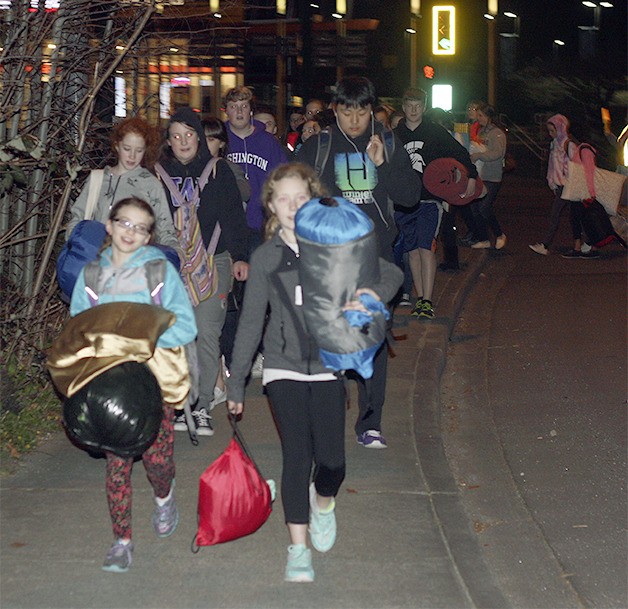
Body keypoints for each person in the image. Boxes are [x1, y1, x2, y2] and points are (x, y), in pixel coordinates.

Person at [226, 162, 402, 583]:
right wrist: (236, 382)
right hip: (282, 368)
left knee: (333, 462)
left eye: (299, 197)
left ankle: (323, 503)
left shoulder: (335, 243)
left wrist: (369, 293)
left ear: (314, 200)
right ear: (270, 204)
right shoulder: (266, 256)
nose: (291, 205)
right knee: (296, 456)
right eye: (282, 198)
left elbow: (391, 272)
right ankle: (298, 548)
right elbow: (251, 322)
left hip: (328, 367)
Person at [70, 197, 197, 573]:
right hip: (109, 387)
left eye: (140, 227)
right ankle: (122, 541)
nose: (130, 232)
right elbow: (77, 329)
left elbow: (186, 325)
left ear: (148, 236)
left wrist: (138, 334)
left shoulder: (158, 272)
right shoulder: (92, 275)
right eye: (124, 223)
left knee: (159, 462)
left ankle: (165, 496)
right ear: (109, 225)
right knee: (117, 464)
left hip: (153, 384)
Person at [298, 76, 422, 449]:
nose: (354, 119)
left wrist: (383, 166)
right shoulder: (317, 147)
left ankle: (370, 422)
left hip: (375, 260)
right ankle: (331, 414)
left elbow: (411, 195)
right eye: (347, 110)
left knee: (372, 340)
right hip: (329, 261)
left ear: (372, 111)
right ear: (335, 109)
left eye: (362, 110)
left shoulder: (386, 142)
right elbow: (291, 198)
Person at [158, 107, 249, 436]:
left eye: (189, 135)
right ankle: (183, 402)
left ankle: (203, 405)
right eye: (176, 136)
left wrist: (240, 256)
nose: (183, 142)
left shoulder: (218, 171)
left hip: (215, 260)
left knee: (208, 331)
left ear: (199, 137)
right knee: (180, 336)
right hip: (172, 265)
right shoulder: (157, 174)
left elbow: (233, 217)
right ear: (168, 141)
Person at [394, 87, 478, 319]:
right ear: (403, 107)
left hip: (430, 200)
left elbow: (460, 153)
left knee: (426, 247)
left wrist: (471, 176)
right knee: (412, 251)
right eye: (409, 105)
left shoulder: (435, 132)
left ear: (424, 107)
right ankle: (420, 299)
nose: (413, 110)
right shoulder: (394, 134)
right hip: (403, 201)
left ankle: (428, 300)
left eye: (418, 105)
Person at [67, 117, 179, 252]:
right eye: (127, 149)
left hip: (133, 264)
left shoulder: (151, 184)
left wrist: (175, 254)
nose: (132, 156)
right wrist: (77, 246)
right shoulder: (98, 179)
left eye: (139, 151)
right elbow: (77, 219)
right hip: (95, 259)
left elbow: (165, 229)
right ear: (116, 146)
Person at [223, 86, 289, 254]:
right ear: (226, 111)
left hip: (260, 223)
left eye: (244, 106)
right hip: (226, 225)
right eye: (233, 106)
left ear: (251, 110)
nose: (239, 111)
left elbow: (282, 180)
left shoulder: (268, 142)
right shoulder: (219, 139)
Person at [529, 114, 600, 258]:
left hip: (568, 185)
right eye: (549, 131)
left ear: (561, 128)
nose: (551, 134)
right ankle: (588, 244)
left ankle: (547, 244)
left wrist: (566, 181)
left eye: (553, 130)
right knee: (576, 216)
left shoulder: (569, 144)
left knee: (561, 214)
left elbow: (573, 166)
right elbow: (552, 165)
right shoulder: (554, 144)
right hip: (561, 185)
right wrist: (552, 181)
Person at [468, 102, 507, 250]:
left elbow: (497, 153)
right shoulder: (481, 131)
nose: (478, 118)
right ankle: (484, 238)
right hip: (481, 174)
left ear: (489, 116)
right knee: (475, 208)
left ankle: (499, 234)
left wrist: (479, 155)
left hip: (492, 176)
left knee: (484, 208)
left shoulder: (496, 133)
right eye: (477, 115)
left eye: (481, 115)